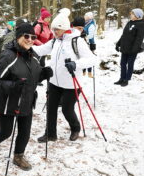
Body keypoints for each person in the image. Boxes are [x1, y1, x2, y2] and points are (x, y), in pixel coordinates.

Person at [0, 23, 53, 170]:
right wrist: (13, 86)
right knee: (6, 132)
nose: (30, 39)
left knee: (25, 133)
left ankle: (18, 156)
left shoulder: (33, 56)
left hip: (27, 101)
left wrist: (43, 74)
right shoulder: (7, 56)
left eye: (33, 37)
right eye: (26, 36)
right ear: (18, 37)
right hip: (8, 103)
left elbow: (32, 77)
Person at [32, 9, 96, 142]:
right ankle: (50, 134)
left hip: (71, 84)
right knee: (51, 108)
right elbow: (40, 50)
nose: (54, 32)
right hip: (54, 81)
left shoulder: (76, 41)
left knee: (67, 109)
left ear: (65, 29)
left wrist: (76, 64)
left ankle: (75, 128)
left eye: (57, 30)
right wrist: (23, 46)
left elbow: (92, 59)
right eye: (53, 29)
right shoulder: (55, 41)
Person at [114, 8, 144, 87]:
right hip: (125, 47)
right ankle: (122, 78)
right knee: (123, 63)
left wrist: (134, 49)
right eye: (131, 13)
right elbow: (124, 35)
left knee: (130, 64)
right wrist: (118, 44)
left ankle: (126, 80)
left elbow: (139, 38)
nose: (130, 15)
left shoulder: (141, 24)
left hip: (132, 49)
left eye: (132, 14)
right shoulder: (129, 22)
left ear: (137, 16)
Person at [34, 7, 54, 86]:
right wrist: (42, 45)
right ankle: (36, 79)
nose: (49, 19)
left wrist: (53, 39)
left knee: (42, 63)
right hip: (38, 48)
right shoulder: (39, 26)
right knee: (38, 63)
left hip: (44, 49)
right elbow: (34, 37)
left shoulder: (47, 26)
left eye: (49, 17)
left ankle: (39, 78)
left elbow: (49, 35)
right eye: (47, 17)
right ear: (43, 18)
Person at [83, 12, 96, 78]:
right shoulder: (85, 24)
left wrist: (85, 38)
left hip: (90, 43)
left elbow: (91, 35)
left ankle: (89, 73)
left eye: (85, 16)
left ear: (89, 17)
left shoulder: (91, 25)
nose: (84, 17)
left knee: (89, 58)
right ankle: (83, 71)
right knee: (83, 57)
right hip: (84, 43)